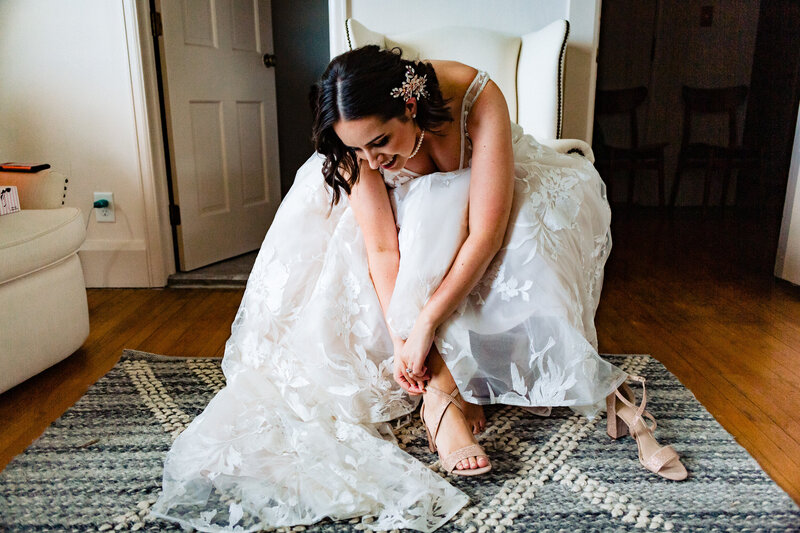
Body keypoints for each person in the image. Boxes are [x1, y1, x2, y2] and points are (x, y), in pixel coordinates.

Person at [151, 46, 686, 533]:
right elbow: (383, 248)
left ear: (410, 106)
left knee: (517, 233)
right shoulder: (357, 155)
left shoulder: (474, 95)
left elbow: (486, 230)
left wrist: (429, 321)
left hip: (490, 197)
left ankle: (458, 385)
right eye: (360, 151)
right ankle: (442, 393)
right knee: (380, 255)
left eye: (381, 143)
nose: (376, 162)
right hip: (405, 222)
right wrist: (407, 337)